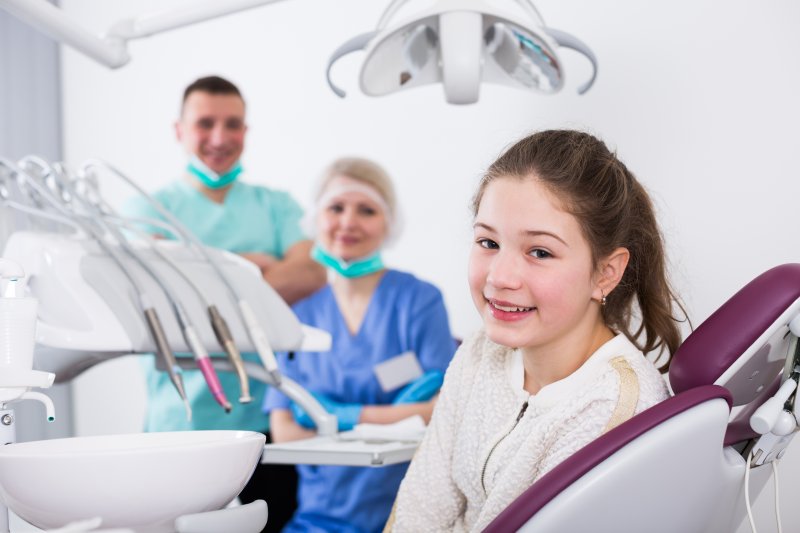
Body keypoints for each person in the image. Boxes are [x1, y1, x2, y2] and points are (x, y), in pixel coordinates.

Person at [386, 130, 684, 531]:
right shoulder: (480, 351)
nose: (500, 277)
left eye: (539, 252)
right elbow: (419, 509)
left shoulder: (615, 408)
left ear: (606, 272)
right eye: (488, 242)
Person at [124, 75, 325, 532]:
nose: (219, 137)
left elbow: (312, 271)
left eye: (232, 124)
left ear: (246, 131)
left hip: (266, 421)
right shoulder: (145, 209)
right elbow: (158, 293)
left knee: (271, 523)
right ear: (179, 130)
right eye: (205, 123)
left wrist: (201, 271)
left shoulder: (275, 204)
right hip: (180, 423)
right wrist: (255, 266)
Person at [262, 157, 457, 533]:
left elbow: (444, 411)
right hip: (319, 518)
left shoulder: (419, 301)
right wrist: (395, 418)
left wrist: (337, 418)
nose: (348, 222)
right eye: (336, 207)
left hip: (410, 516)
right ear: (316, 219)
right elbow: (283, 430)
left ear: (389, 223)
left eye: (366, 209)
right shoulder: (295, 318)